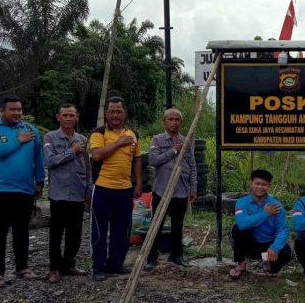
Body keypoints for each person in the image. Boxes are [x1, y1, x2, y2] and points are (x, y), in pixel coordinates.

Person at [0, 95, 45, 288]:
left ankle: (22, 267)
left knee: (21, 232)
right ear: (2, 111)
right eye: (13, 110)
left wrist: (40, 181)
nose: (17, 113)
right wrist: (18, 141)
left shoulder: (30, 131)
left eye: (19, 109)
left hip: (24, 190)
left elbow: (38, 157)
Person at [89, 97, 142, 281]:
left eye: (119, 111)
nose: (115, 115)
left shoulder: (133, 134)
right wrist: (119, 142)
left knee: (122, 231)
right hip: (103, 188)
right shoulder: (99, 133)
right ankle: (98, 267)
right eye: (112, 111)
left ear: (124, 113)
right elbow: (96, 155)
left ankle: (116, 265)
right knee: (99, 230)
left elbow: (136, 159)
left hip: (125, 189)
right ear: (106, 114)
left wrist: (139, 184)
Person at [43, 103, 92, 283]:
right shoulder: (50, 137)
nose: (69, 119)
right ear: (58, 117)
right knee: (56, 233)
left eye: (72, 115)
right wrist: (71, 151)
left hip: (78, 192)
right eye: (65, 115)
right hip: (59, 194)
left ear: (76, 117)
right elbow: (50, 161)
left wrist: (89, 188)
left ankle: (69, 263)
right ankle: (54, 268)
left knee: (75, 232)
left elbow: (87, 166)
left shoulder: (82, 139)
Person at [146, 108, 197, 270]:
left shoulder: (186, 141)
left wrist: (193, 188)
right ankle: (151, 257)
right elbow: (154, 160)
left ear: (181, 122)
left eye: (177, 120)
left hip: (181, 190)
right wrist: (174, 150)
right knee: (157, 224)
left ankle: (176, 255)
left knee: (177, 225)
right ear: (164, 122)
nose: (174, 122)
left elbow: (192, 165)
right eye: (171, 119)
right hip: (162, 190)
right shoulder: (157, 140)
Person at [228, 169, 292, 280]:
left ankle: (267, 262)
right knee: (237, 229)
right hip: (251, 243)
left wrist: (275, 248)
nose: (260, 187)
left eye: (264, 184)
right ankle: (241, 264)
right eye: (257, 183)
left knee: (287, 253)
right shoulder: (242, 202)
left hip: (268, 244)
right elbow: (242, 224)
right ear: (251, 184)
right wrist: (265, 213)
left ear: (269, 186)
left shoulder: (276, 205)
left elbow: (283, 229)